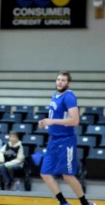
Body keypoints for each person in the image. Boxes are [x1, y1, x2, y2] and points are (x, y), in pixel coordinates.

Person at [39, 71, 96, 205]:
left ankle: (85, 203)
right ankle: (63, 202)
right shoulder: (55, 95)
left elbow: (75, 121)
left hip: (66, 140)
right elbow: (56, 116)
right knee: (45, 173)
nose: (60, 82)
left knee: (67, 175)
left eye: (63, 80)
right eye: (58, 79)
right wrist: (44, 122)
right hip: (53, 140)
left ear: (68, 83)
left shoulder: (69, 97)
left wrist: (52, 121)